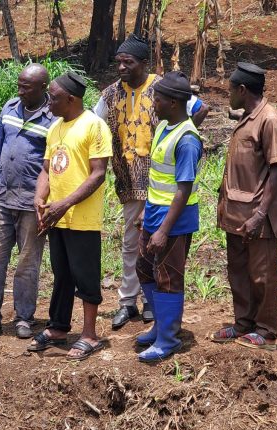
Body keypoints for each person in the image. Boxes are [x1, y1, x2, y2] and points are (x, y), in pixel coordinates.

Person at [94, 35, 209, 330]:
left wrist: (181, 137)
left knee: (159, 248)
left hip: (161, 187)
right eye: (119, 62)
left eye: (128, 62)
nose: (122, 67)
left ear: (144, 63)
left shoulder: (163, 88)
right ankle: (127, 301)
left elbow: (200, 108)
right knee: (132, 244)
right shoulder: (111, 94)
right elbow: (94, 124)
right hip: (129, 181)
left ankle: (152, 304)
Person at [28, 72, 112, 361]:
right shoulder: (54, 127)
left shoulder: (94, 126)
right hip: (57, 216)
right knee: (61, 274)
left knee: (85, 276)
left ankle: (89, 335)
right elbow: (47, 169)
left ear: (71, 99)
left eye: (53, 98)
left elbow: (98, 174)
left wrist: (64, 204)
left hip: (82, 218)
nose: (48, 102)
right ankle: (58, 327)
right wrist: (40, 199)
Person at [0, 64, 54, 342]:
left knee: (28, 263)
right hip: (2, 199)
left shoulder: (53, 118)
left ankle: (24, 318)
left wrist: (46, 202)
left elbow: (52, 166)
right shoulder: (10, 108)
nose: (20, 91)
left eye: (26, 87)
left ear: (42, 87)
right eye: (19, 85)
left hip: (31, 203)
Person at [211, 62, 277, 350]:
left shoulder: (269, 120)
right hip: (236, 213)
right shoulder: (247, 118)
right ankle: (243, 323)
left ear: (243, 90)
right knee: (239, 271)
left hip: (258, 215)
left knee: (261, 274)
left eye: (230, 90)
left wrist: (259, 214)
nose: (228, 95)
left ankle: (266, 331)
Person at [134, 72, 203, 362]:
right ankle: (160, 325)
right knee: (143, 268)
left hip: (173, 222)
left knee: (168, 278)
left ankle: (168, 339)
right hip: (154, 213)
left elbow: (183, 191)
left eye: (158, 99)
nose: (154, 104)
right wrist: (145, 210)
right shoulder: (164, 125)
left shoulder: (187, 141)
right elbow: (159, 179)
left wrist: (163, 230)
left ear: (173, 103)